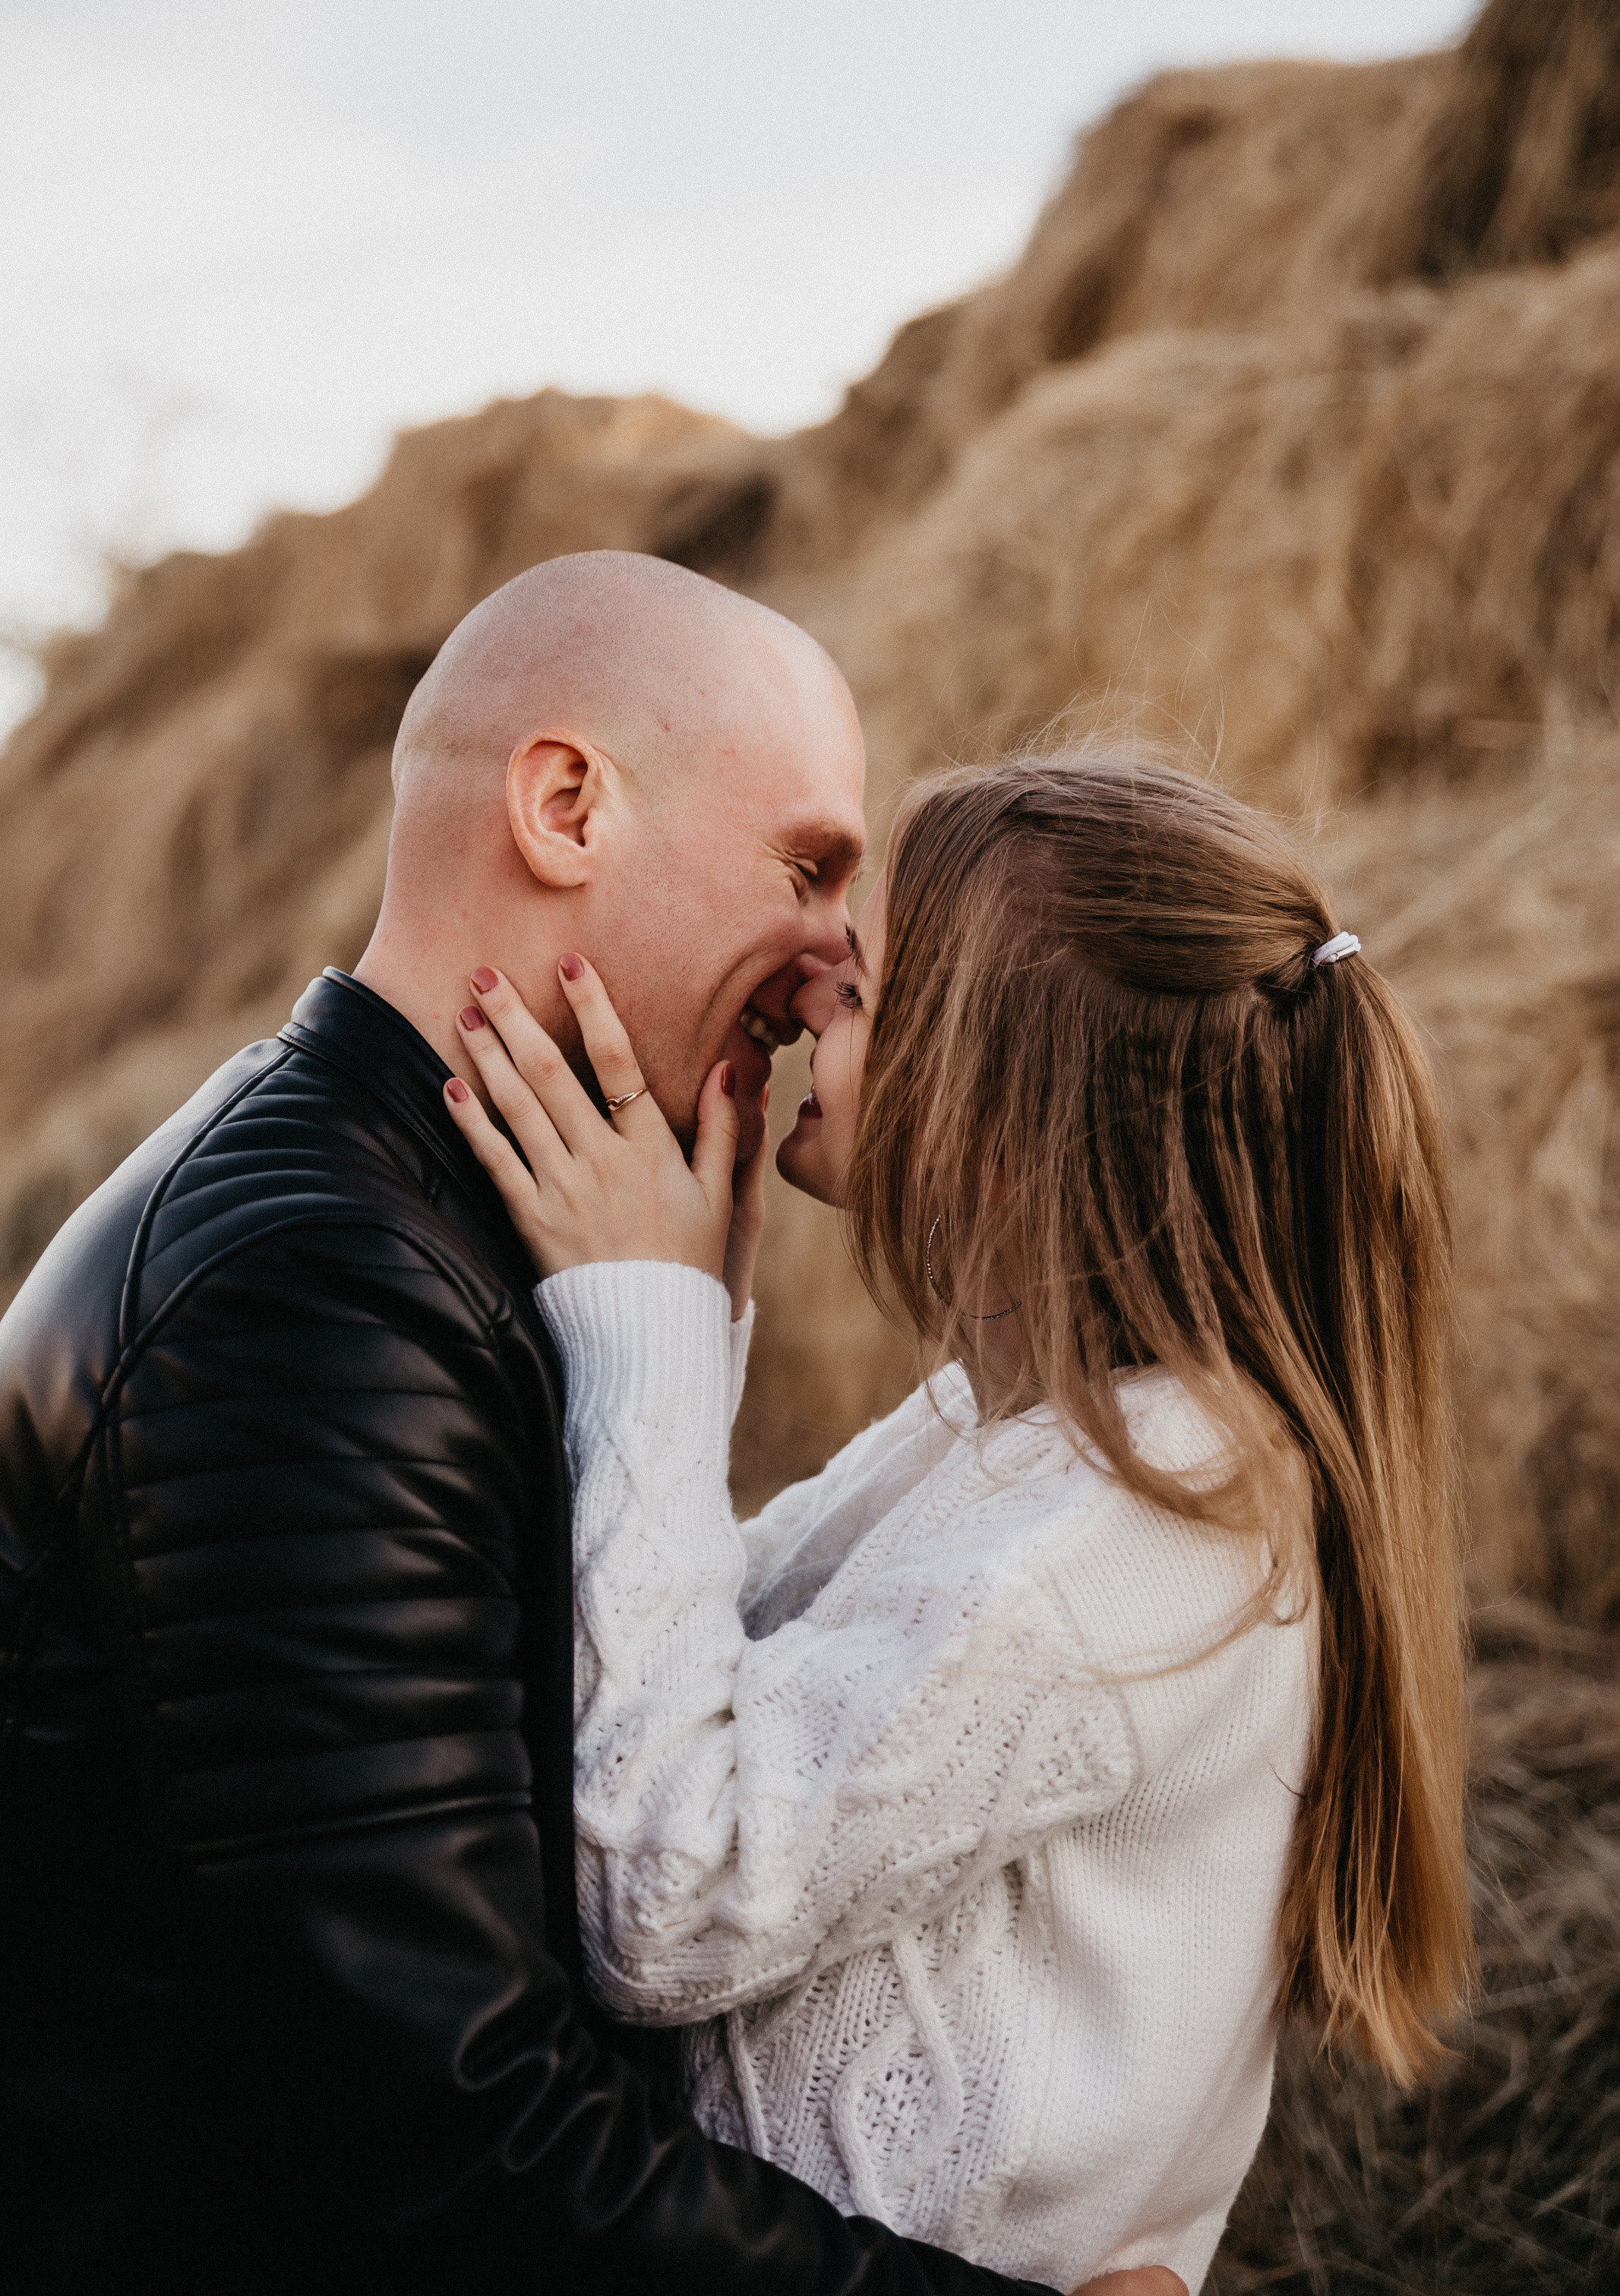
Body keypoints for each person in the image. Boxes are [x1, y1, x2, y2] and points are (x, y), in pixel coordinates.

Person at [0, 553, 1175, 2296]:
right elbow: (442, 2131)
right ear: (562, 807)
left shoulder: (416, 1221)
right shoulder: (314, 1288)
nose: (832, 963)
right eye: (803, 866)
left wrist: (670, 1333)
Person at [442, 755, 1476, 2293]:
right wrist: (696, 1306)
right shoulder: (1018, 1431)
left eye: (853, 993)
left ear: (996, 1113)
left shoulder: (1142, 1519)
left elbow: (659, 1890)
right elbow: (702, 1669)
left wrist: (640, 1320)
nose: (799, 998)